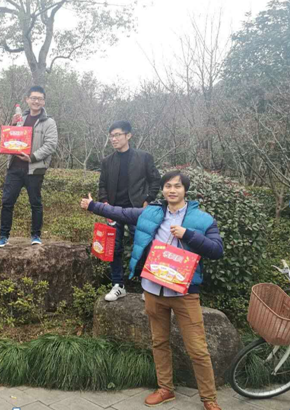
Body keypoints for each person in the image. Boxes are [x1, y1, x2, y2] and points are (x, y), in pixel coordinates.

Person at [81, 170, 224, 410]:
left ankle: (209, 399)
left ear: (185, 190)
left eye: (177, 186)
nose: (172, 190)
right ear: (163, 189)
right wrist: (93, 206)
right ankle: (165, 388)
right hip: (153, 289)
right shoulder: (151, 212)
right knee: (159, 342)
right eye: (168, 186)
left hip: (184, 292)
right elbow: (122, 212)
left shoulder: (202, 219)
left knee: (198, 349)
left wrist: (188, 234)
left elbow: (217, 250)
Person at [98, 120, 160, 302]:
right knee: (114, 248)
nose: (113, 139)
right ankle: (118, 285)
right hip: (114, 211)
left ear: (128, 135)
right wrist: (105, 203)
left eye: (117, 135)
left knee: (143, 246)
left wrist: (148, 200)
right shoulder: (107, 161)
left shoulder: (144, 157)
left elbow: (155, 180)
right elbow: (102, 185)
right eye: (111, 136)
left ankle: (147, 287)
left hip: (136, 210)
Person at [0, 85, 58, 248]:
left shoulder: (49, 122)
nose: (36, 101)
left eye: (40, 99)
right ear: (27, 100)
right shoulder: (20, 118)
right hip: (14, 167)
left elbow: (51, 145)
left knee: (35, 203)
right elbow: (9, 138)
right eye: (33, 98)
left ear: (44, 101)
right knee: (7, 202)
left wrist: (32, 157)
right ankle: (3, 236)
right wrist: (11, 124)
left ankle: (36, 235)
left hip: (34, 168)